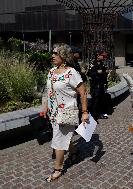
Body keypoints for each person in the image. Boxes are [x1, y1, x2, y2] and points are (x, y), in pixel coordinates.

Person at [42, 43, 89, 182]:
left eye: (56, 53)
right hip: (53, 113)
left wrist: (85, 112)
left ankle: (57, 170)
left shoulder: (71, 73)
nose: (53, 56)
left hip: (66, 112)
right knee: (63, 137)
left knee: (58, 140)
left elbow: (83, 92)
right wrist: (45, 106)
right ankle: (74, 152)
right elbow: (48, 90)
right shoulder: (51, 71)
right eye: (53, 53)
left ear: (64, 56)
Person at [87, 51, 109, 120]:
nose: (104, 57)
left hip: (101, 85)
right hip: (95, 85)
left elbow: (104, 74)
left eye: (105, 56)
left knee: (100, 100)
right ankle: (93, 116)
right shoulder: (94, 63)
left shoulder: (102, 63)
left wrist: (106, 82)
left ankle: (98, 114)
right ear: (98, 55)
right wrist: (97, 72)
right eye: (103, 56)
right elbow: (89, 73)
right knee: (95, 100)